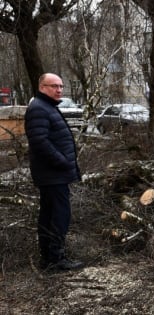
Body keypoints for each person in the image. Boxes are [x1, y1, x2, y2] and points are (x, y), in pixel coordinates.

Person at [24, 73, 84, 271]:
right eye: (54, 86)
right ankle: (55, 259)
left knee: (50, 214)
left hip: (54, 173)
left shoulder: (47, 106)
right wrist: (63, 161)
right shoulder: (39, 109)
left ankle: (49, 258)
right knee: (59, 215)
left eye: (61, 86)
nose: (59, 90)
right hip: (52, 174)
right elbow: (39, 142)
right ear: (42, 87)